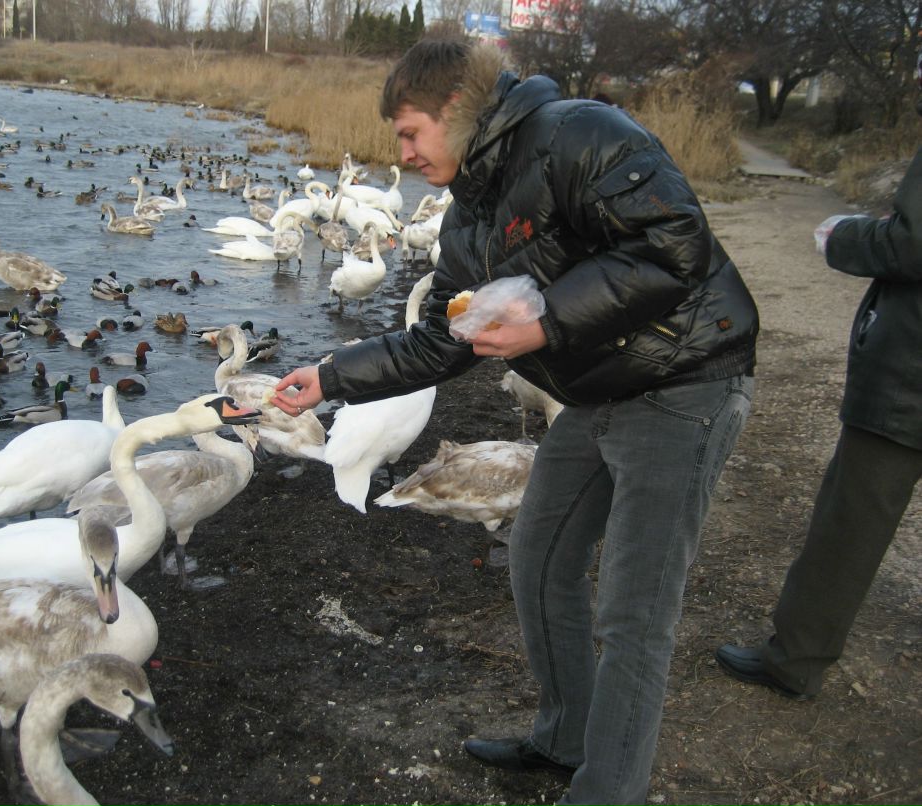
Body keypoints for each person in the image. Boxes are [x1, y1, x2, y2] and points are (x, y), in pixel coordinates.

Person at [273, 39, 759, 805]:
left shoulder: (581, 135)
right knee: (537, 557)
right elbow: (440, 338)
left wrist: (548, 323)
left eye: (409, 133)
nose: (399, 155)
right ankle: (567, 738)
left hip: (685, 380)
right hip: (600, 386)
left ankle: (608, 791)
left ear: (458, 114)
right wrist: (330, 378)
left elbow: (676, 248)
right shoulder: (468, 211)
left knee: (635, 610)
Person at [715, 57, 922, 700]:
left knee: (853, 517)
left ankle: (796, 658)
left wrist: (845, 237)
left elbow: (913, 244)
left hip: (913, 376)